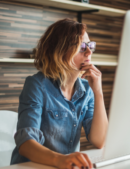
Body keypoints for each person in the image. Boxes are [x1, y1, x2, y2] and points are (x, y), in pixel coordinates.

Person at [10, 18, 108, 169]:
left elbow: (99, 140)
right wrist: (60, 160)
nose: (89, 51)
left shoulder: (87, 89)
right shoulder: (36, 85)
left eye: (90, 45)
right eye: (82, 47)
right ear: (60, 51)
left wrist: (98, 93)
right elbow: (26, 144)